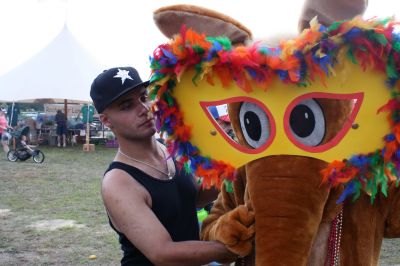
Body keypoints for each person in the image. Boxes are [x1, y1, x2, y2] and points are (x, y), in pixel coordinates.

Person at [90, 67, 238, 265]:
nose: (144, 109)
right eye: (126, 106)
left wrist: (238, 171)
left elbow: (192, 199)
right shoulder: (118, 182)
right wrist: (231, 247)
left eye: (143, 97)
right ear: (106, 120)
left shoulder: (169, 148)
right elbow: (163, 253)